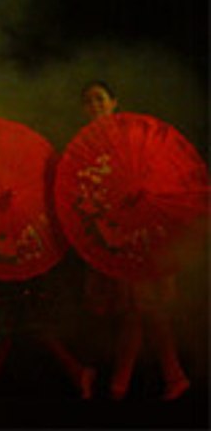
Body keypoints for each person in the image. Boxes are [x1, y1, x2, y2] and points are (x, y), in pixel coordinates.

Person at [0, 86, 95, 399]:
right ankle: (70, 371)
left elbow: (16, 176)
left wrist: (4, 196)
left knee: (17, 315)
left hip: (10, 235)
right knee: (8, 318)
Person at [78, 81, 189, 401]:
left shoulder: (131, 134)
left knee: (144, 306)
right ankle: (158, 378)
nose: (94, 106)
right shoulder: (85, 145)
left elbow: (156, 171)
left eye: (100, 99)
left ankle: (128, 382)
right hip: (112, 233)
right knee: (134, 309)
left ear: (114, 102)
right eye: (88, 101)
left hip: (142, 231)